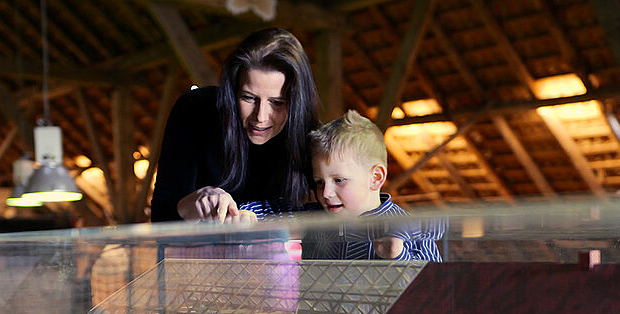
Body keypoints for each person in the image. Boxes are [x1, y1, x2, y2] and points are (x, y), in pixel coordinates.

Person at [150, 28, 320, 224]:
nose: (261, 117)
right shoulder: (194, 111)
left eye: (277, 103)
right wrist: (193, 203)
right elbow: (161, 218)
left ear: (297, 103)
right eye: (249, 98)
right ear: (232, 91)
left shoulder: (310, 136)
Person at [303, 110, 444, 261]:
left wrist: (398, 256)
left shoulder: (411, 229)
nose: (326, 193)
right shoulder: (316, 225)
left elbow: (434, 283)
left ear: (376, 178)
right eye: (319, 182)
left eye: (339, 180)